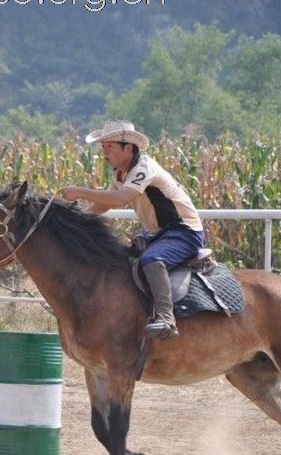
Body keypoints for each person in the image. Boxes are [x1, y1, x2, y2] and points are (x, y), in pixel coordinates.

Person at [60, 120, 205, 341]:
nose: (104, 152)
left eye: (109, 147)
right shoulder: (121, 173)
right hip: (159, 233)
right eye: (103, 147)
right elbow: (104, 203)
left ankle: (167, 318)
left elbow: (120, 199)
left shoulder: (143, 168)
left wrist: (79, 192)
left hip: (184, 231)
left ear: (128, 148)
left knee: (153, 259)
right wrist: (78, 220)